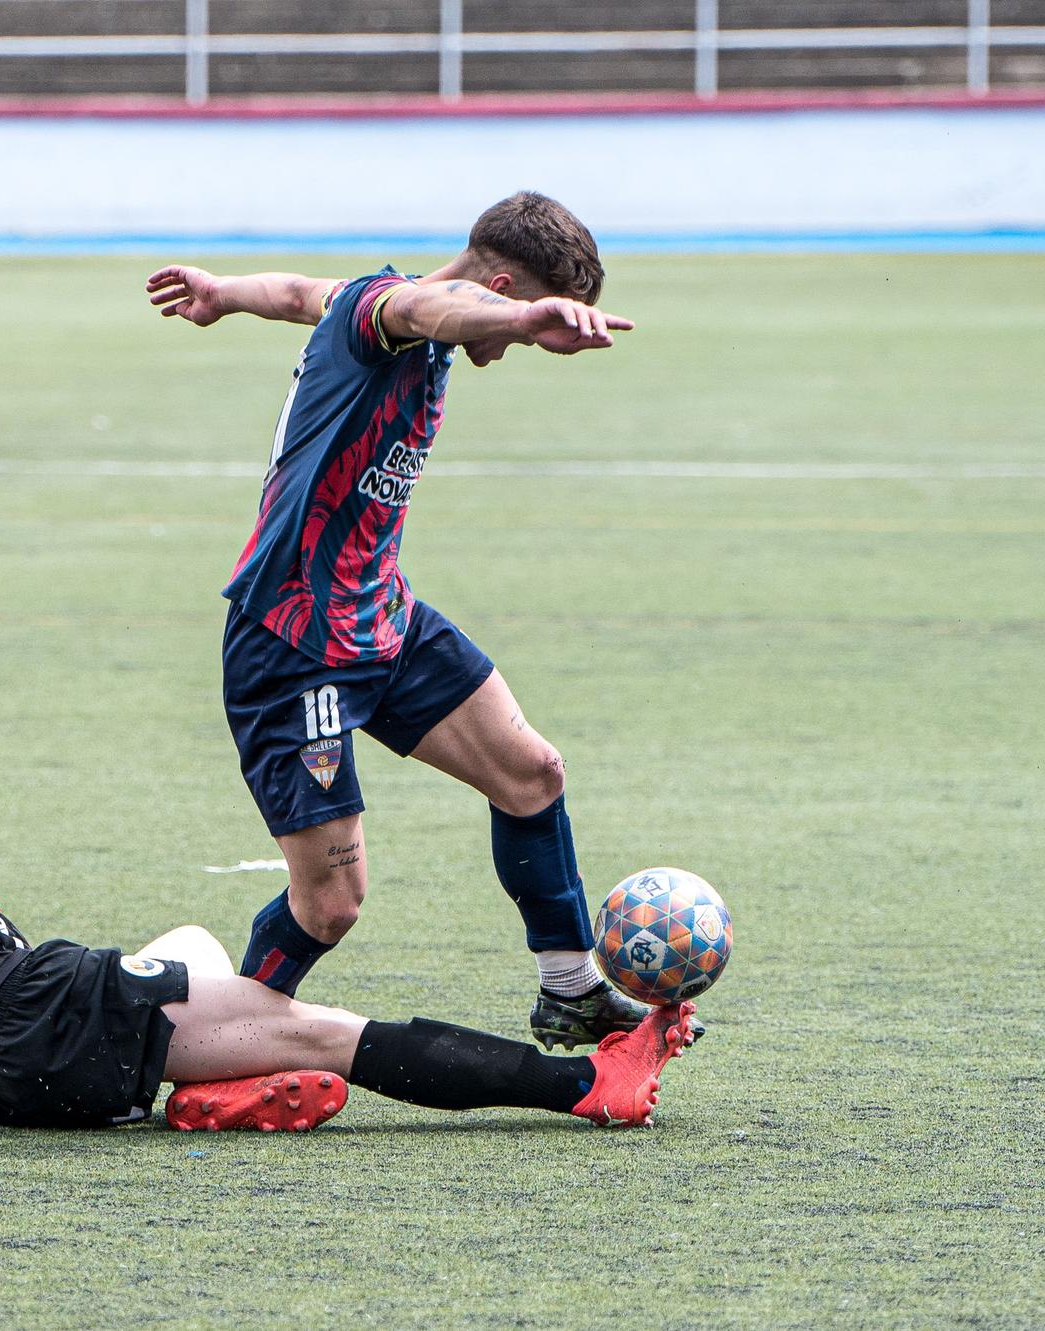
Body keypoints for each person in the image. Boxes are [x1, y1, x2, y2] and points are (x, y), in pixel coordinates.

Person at [0, 639, 696, 1133]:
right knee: (315, 1024)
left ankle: (207, 1079)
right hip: (26, 1006)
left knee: (191, 947)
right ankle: (588, 1084)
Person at [144, 192, 701, 1051]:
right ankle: (230, 1038)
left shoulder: (364, 300)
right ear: (503, 283)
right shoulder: (393, 308)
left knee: (532, 772)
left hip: (383, 618)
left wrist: (223, 292)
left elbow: (301, 292)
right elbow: (423, 306)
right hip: (294, 646)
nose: (507, 348)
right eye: (510, 311)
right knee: (330, 904)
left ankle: (569, 987)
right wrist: (519, 319)